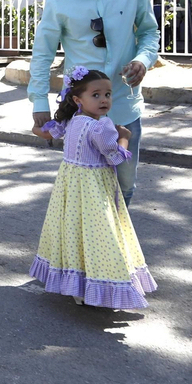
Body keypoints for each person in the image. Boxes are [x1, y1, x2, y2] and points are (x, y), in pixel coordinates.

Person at [27, 0, 159, 204]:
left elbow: (149, 33)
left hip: (125, 107)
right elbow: (42, 54)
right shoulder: (57, 2)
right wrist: (39, 100)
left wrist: (142, 60)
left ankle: (117, 245)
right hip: (81, 116)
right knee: (86, 190)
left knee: (124, 188)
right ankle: (90, 247)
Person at [31, 67, 157, 309]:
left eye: (107, 94)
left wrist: (39, 125)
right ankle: (95, 285)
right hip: (93, 190)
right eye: (96, 95)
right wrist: (124, 136)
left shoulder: (71, 121)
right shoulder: (103, 127)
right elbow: (114, 157)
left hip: (70, 188)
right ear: (78, 99)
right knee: (98, 234)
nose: (104, 100)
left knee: (74, 231)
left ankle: (76, 284)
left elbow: (43, 132)